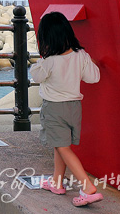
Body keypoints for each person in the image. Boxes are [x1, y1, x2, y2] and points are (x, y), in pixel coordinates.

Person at [30, 11, 102, 207]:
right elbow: (93, 78)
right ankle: (56, 181)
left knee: (62, 147)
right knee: (60, 144)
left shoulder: (50, 61)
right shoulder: (81, 55)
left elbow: (35, 76)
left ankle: (87, 187)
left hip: (54, 109)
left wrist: (41, 61)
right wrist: (91, 62)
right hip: (74, 108)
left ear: (47, 38)